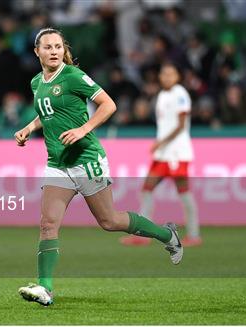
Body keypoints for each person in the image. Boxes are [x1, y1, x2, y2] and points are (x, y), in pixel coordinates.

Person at [14, 28, 183, 306]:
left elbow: (108, 104)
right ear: (37, 52)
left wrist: (84, 129)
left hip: (87, 160)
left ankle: (167, 234)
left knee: (109, 221)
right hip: (58, 164)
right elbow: (47, 112)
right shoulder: (36, 82)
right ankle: (45, 288)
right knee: (47, 224)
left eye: (58, 46)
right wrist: (29, 127)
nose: (54, 51)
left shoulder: (73, 76)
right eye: (48, 47)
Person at [120, 62, 201, 247]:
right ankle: (143, 235)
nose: (167, 77)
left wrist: (161, 142)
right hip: (163, 154)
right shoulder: (162, 94)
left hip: (177, 153)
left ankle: (194, 235)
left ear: (177, 77)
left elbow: (181, 125)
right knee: (146, 189)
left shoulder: (180, 94)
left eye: (171, 74)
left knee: (184, 192)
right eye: (164, 74)